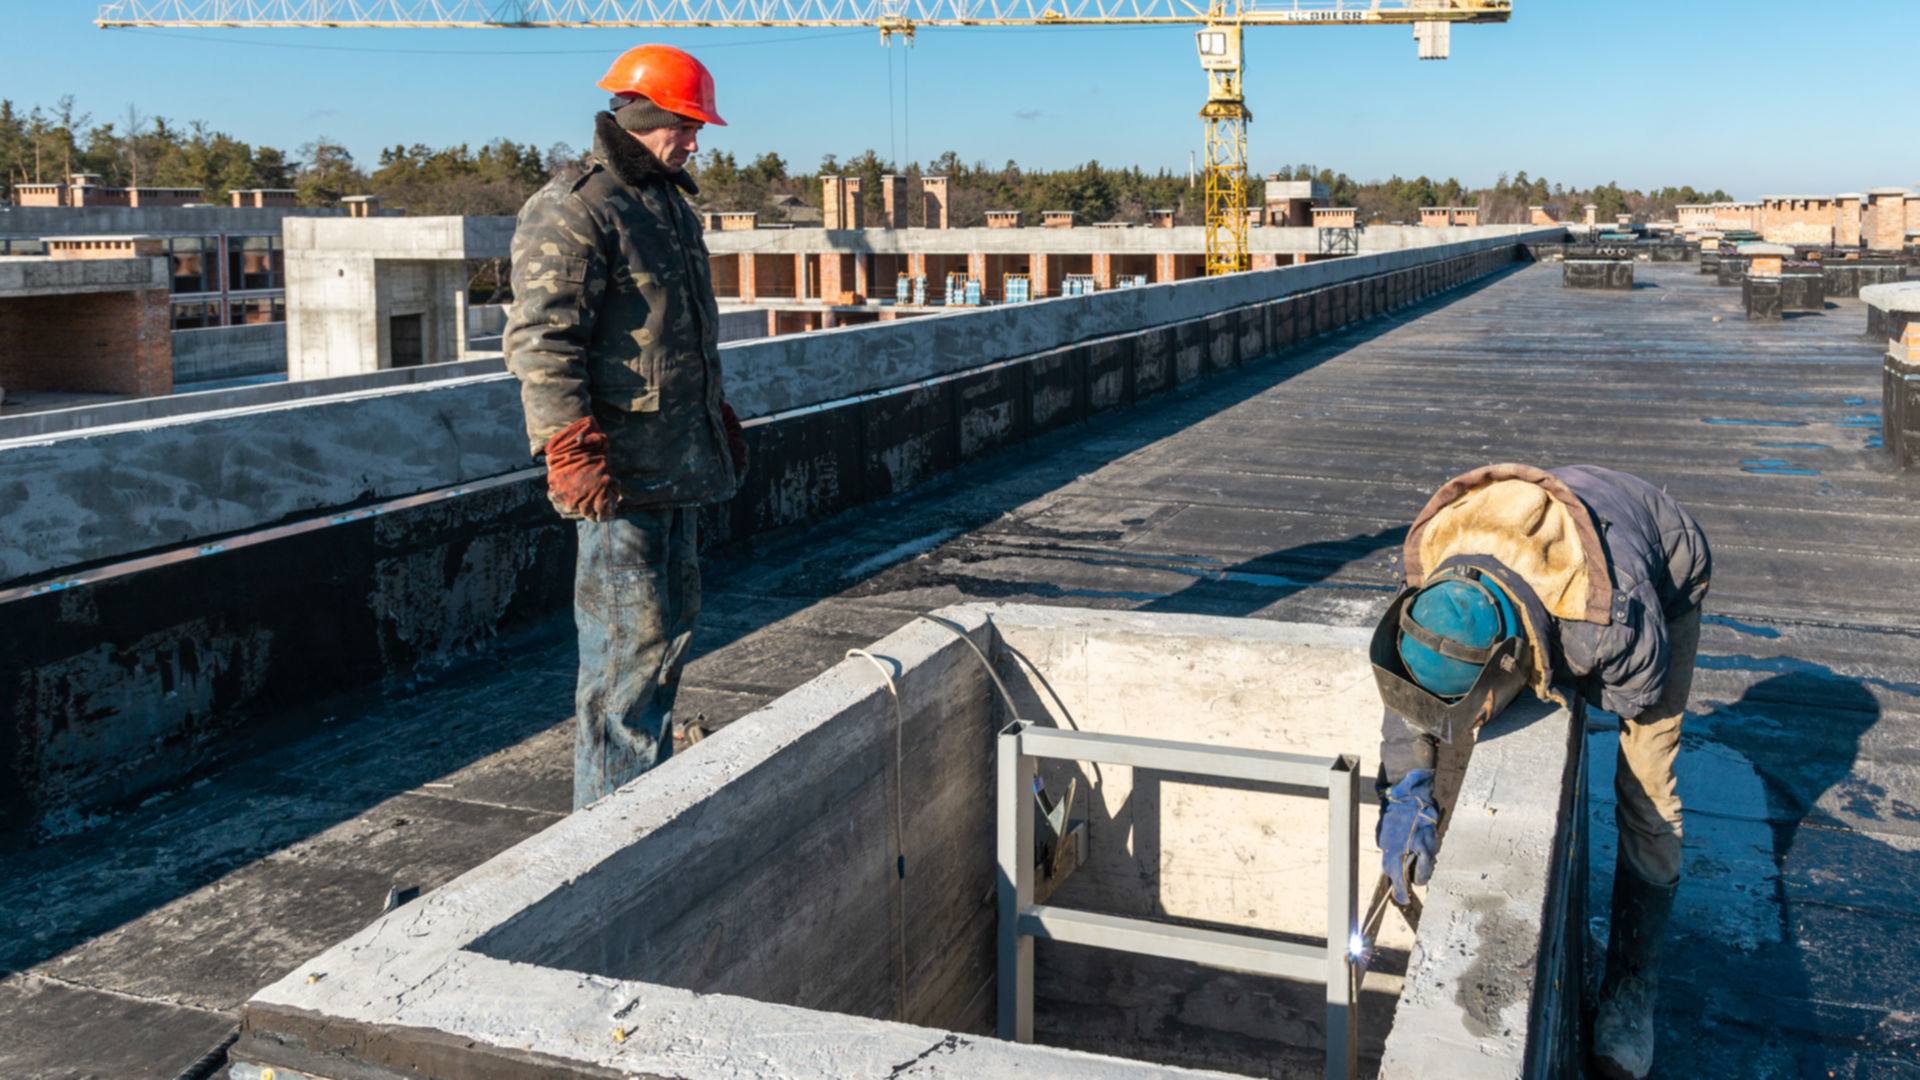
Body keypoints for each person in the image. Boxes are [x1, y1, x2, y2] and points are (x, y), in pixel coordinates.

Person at [1369, 463, 1710, 1080]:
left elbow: (1632, 696)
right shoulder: (1434, 553)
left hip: (1658, 559)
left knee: (1646, 791)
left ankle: (1632, 986)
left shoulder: (1611, 627)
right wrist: (1405, 789)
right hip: (1532, 534)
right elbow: (1412, 681)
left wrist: (1539, 674)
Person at [504, 44, 750, 811]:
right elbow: (542, 340)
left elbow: (670, 335)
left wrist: (712, 411)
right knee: (623, 660)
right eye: (687, 124)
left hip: (676, 462)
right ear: (648, 116)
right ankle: (609, 834)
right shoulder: (577, 206)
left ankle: (639, 805)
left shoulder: (666, 205)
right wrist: (568, 446)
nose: (695, 140)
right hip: (619, 478)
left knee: (664, 643)